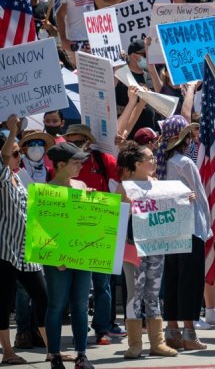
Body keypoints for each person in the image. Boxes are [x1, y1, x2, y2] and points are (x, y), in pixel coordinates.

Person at [155, 116, 212, 350]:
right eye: (189, 135)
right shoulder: (185, 163)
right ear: (183, 138)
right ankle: (189, 333)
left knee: (172, 278)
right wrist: (207, 227)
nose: (192, 139)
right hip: (190, 228)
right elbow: (199, 194)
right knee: (189, 280)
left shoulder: (162, 162)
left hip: (170, 229)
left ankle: (173, 331)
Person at [116, 142, 177, 359]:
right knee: (135, 294)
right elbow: (117, 221)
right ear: (138, 164)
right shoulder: (124, 187)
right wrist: (129, 207)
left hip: (155, 245)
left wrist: (183, 201)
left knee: (153, 293)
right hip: (133, 248)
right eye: (150, 158)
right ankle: (134, 344)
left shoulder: (156, 183)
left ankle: (157, 343)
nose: (154, 160)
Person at [62, 125, 121, 344]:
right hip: (74, 228)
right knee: (78, 284)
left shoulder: (102, 159)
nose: (75, 147)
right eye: (71, 142)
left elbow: (125, 175)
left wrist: (122, 147)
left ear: (87, 142)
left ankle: (102, 328)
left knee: (102, 283)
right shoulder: (64, 164)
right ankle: (80, 326)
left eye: (78, 142)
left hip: (100, 226)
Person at [0, 115, 49, 365]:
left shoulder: (18, 177)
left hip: (26, 249)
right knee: (3, 304)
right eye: (15, 153)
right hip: (5, 250)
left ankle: (52, 350)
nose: (19, 157)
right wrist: (11, 132)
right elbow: (2, 158)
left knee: (44, 299)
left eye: (20, 153)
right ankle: (8, 352)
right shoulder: (0, 176)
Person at [44, 142, 94, 369]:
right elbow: (41, 229)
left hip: (82, 255)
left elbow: (88, 223)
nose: (81, 166)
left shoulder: (81, 185)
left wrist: (92, 201)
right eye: (75, 162)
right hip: (58, 260)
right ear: (61, 164)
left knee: (81, 306)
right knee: (56, 305)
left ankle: (81, 355)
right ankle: (54, 355)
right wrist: (56, 256)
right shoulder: (46, 191)